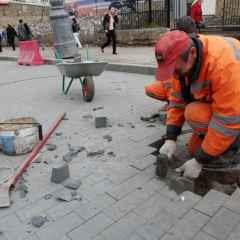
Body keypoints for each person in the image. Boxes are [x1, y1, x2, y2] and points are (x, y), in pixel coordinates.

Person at [155, 30, 240, 179]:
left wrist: (200, 161)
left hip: (235, 110)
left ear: (192, 53)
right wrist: (171, 137)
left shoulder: (223, 65)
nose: (173, 75)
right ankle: (218, 145)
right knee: (195, 149)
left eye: (176, 70)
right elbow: (176, 102)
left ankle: (232, 149)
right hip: (224, 104)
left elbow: (228, 120)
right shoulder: (180, 61)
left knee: (194, 114)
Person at [145, 16, 198, 113]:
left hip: (193, 89)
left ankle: (186, 105)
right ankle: (174, 103)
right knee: (155, 88)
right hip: (177, 84)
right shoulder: (170, 41)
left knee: (193, 113)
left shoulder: (200, 49)